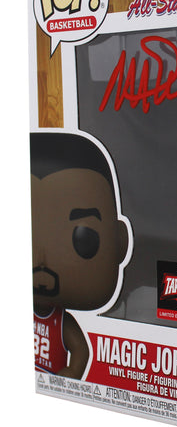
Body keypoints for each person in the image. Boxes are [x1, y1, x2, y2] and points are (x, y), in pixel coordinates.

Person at [31, 132, 130, 378]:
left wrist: (70, 375)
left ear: (120, 242)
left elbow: (80, 351)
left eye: (83, 238)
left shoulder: (60, 322)